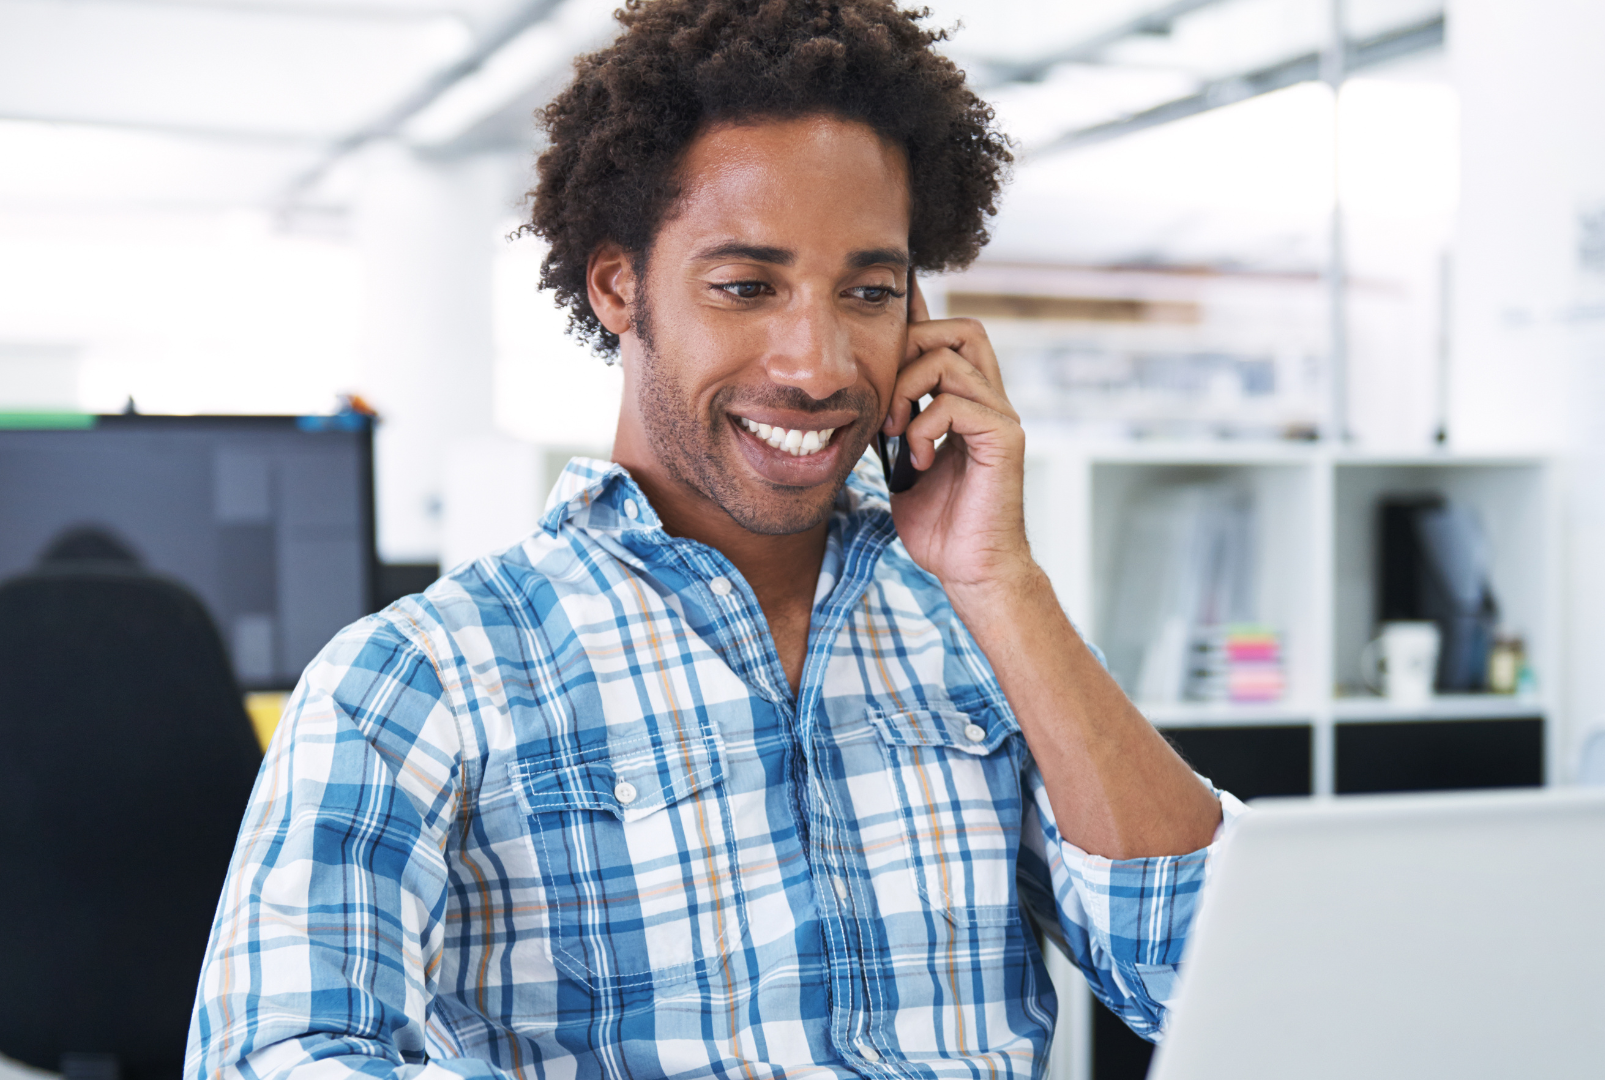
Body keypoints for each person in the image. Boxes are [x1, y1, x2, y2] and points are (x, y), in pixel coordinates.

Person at [187, 1, 1241, 1076]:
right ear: (618, 284)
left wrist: (1002, 583)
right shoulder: (418, 679)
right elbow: (272, 1057)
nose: (819, 363)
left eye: (869, 292)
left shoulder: (986, 634)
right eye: (746, 287)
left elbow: (1209, 989)